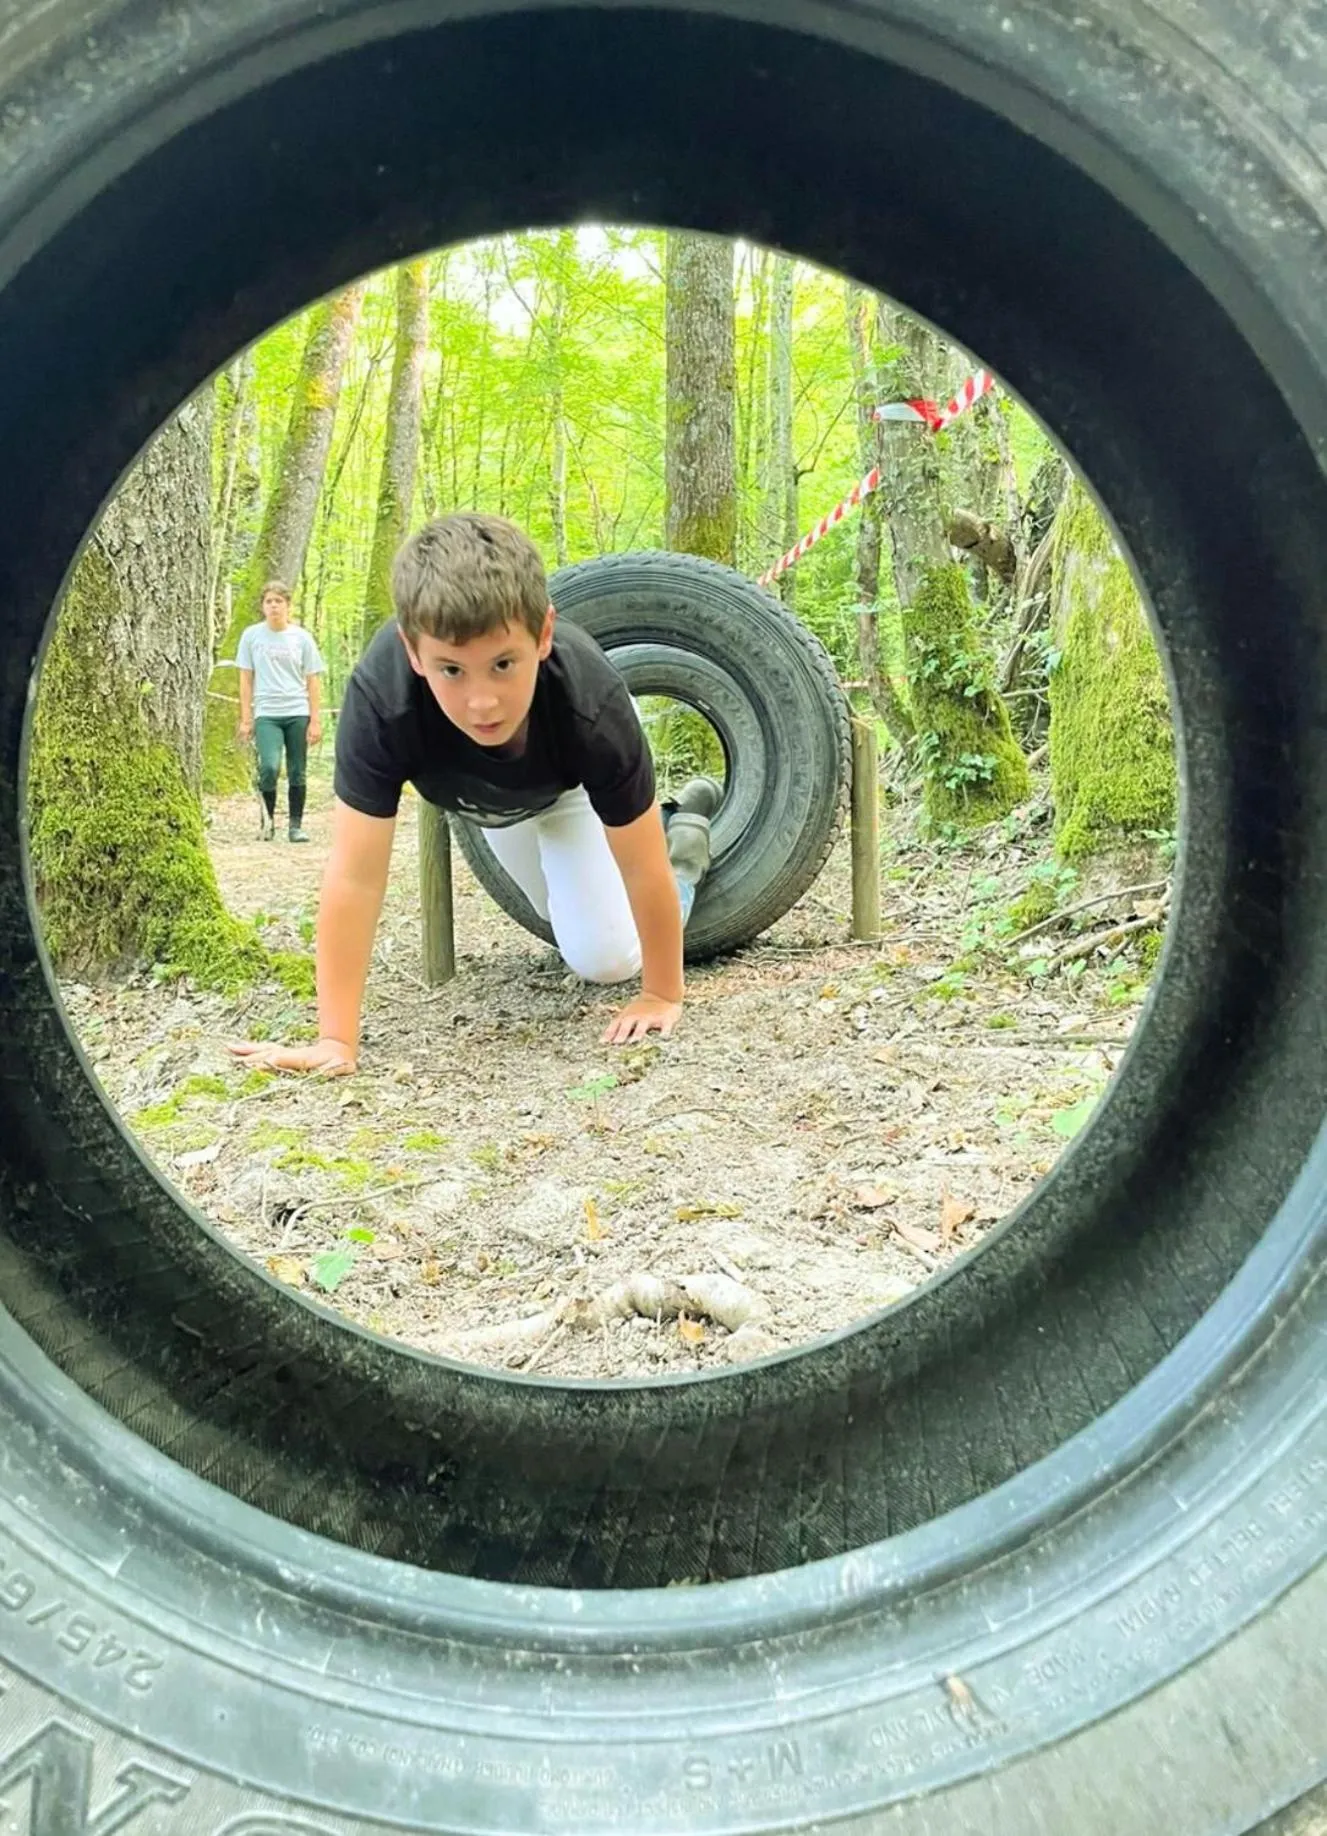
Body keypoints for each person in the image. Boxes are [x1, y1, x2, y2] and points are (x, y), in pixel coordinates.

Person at [230, 514, 721, 1076]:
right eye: (452, 670)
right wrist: (335, 1040)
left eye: (503, 664)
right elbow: (355, 875)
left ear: (543, 635)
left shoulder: (593, 705)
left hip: (573, 789)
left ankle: (683, 846)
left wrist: (661, 993)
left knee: (605, 959)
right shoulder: (382, 700)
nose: (482, 702)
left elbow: (640, 867)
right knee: (564, 921)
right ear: (414, 653)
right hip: (487, 803)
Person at [236, 581, 326, 842]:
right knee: (269, 767)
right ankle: (268, 822)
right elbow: (245, 678)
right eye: (269, 601)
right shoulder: (251, 636)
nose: (274, 606)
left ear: (288, 605)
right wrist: (246, 718)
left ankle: (295, 826)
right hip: (267, 712)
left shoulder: (302, 638)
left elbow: (312, 680)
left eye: (279, 601)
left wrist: (315, 720)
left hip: (297, 711)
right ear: (263, 606)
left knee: (297, 769)